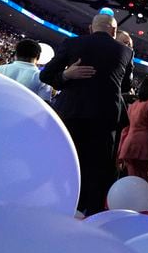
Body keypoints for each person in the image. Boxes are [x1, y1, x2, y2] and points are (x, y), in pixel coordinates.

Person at [40, 13, 134, 215]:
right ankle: (91, 216)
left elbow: (45, 74)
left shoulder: (73, 43)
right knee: (99, 171)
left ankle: (59, 208)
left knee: (66, 162)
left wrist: (66, 74)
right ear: (114, 31)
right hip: (106, 118)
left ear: (91, 28)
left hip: (72, 113)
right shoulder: (126, 52)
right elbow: (125, 85)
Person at [118, 74, 148, 181]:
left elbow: (125, 129)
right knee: (139, 184)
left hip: (128, 147)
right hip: (144, 150)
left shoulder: (135, 104)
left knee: (129, 181)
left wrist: (120, 151)